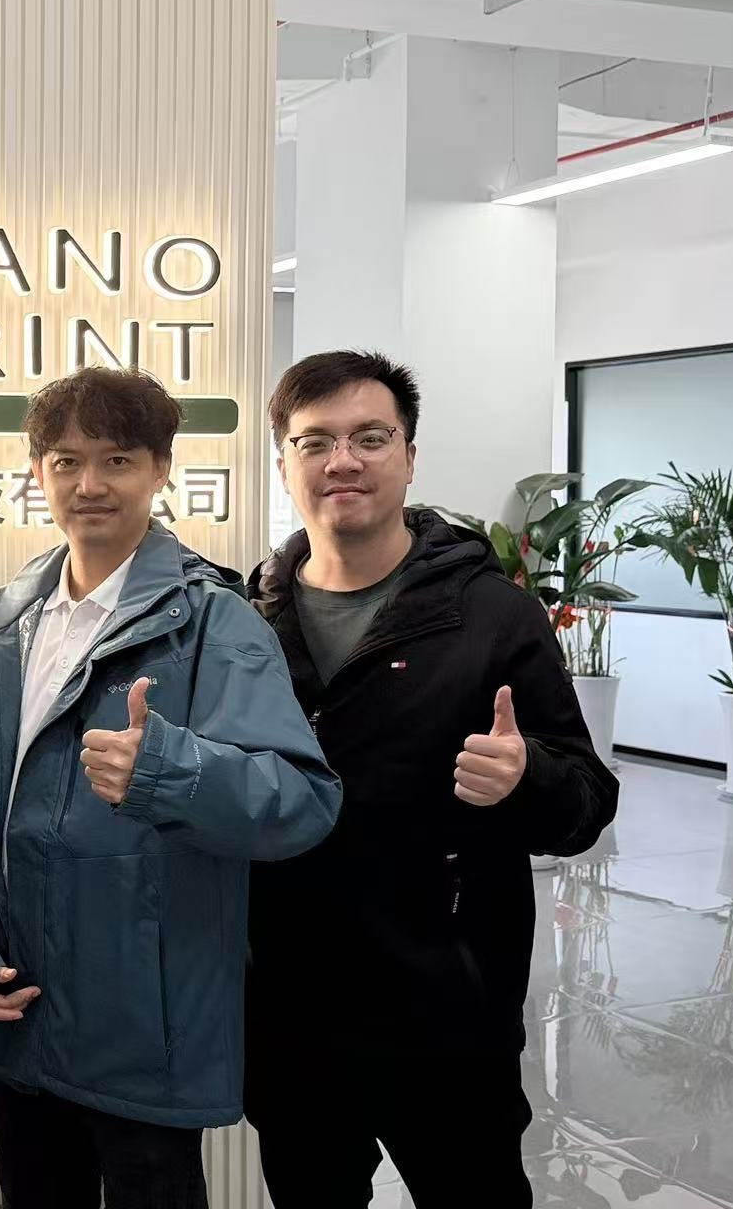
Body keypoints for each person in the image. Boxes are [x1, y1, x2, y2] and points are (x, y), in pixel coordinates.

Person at [0, 368, 342, 1209]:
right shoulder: (5, 625)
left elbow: (302, 799)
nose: (90, 485)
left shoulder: (213, 620)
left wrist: (167, 772)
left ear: (160, 470)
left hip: (148, 1029)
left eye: (117, 460)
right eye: (66, 462)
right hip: (21, 1006)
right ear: (37, 472)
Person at [243, 349, 620, 1207]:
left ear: (409, 456)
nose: (343, 461)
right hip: (293, 1013)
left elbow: (587, 801)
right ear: (284, 465)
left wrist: (526, 778)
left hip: (446, 1013)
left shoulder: (492, 615)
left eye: (370, 437)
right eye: (315, 442)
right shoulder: (247, 620)